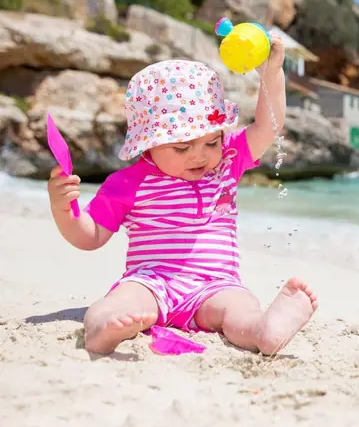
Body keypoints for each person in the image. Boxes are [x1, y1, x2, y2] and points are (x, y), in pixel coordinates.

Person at [46, 34, 318, 356]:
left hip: (216, 284)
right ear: (148, 143)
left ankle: (264, 331)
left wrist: (272, 74)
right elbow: (90, 237)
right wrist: (63, 209)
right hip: (151, 280)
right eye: (181, 146)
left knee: (240, 308)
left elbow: (266, 127)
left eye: (211, 142)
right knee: (119, 301)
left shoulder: (228, 163)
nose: (199, 156)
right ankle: (103, 328)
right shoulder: (128, 183)